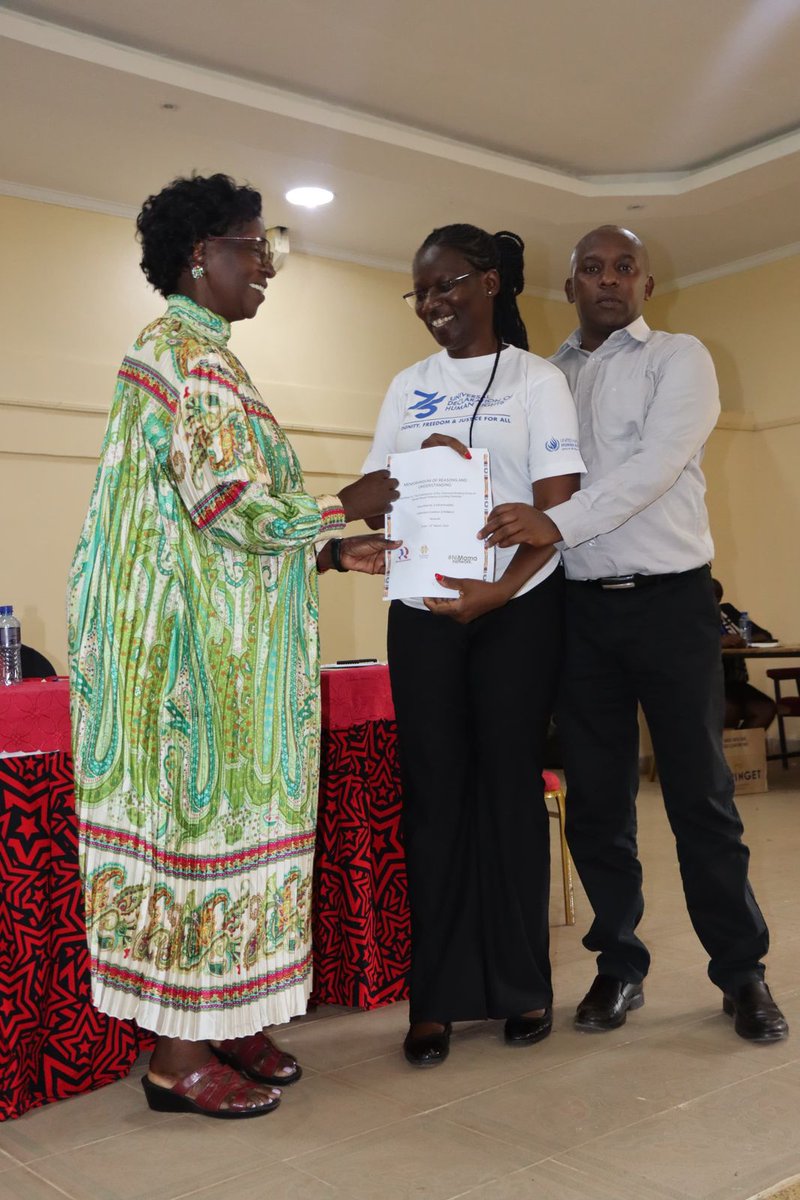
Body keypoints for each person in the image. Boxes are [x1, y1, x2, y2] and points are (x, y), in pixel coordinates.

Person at [68, 173, 399, 1119]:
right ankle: (176, 1058)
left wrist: (330, 554)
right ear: (196, 257)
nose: (267, 266)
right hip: (188, 666)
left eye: (267, 247)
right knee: (194, 838)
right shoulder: (183, 351)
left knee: (242, 840)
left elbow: (207, 523)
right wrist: (348, 501)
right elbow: (230, 505)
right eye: (253, 247)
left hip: (227, 651)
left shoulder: (202, 355)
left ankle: (230, 1013)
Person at [480, 225, 788, 1043]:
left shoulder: (679, 358)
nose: (608, 279)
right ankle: (619, 965)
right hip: (578, 611)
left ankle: (742, 973)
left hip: (674, 605)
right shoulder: (545, 378)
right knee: (598, 802)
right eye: (591, 268)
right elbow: (513, 473)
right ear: (571, 285)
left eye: (625, 268)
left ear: (647, 285)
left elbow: (652, 471)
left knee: (702, 795)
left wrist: (550, 521)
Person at [362, 224, 584, 1066]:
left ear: (490, 283)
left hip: (517, 607)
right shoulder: (406, 385)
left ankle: (522, 984)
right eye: (420, 292)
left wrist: (499, 588)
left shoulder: (540, 381)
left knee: (509, 793)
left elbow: (558, 510)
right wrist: (404, 487)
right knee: (435, 799)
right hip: (422, 609)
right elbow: (382, 491)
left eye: (448, 285)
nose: (433, 304)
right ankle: (437, 998)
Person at [712, 578, 778, 730]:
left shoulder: (727, 611)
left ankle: (745, 752)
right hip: (706, 685)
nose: (715, 603)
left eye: (717, 598)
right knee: (730, 709)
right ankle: (722, 753)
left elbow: (764, 636)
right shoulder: (689, 618)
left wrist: (743, 640)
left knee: (765, 709)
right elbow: (686, 646)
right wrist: (720, 642)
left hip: (734, 682)